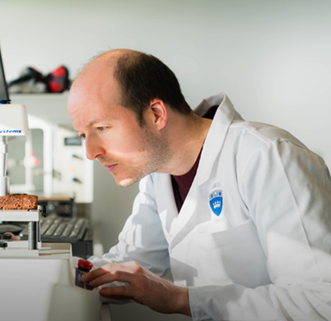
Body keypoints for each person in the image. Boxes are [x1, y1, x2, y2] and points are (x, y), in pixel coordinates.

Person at [67, 49, 331, 320]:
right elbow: (130, 263)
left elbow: (320, 301)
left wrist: (180, 299)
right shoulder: (158, 173)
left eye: (101, 128)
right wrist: (50, 270)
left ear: (156, 114)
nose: (90, 152)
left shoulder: (269, 157)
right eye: (83, 135)